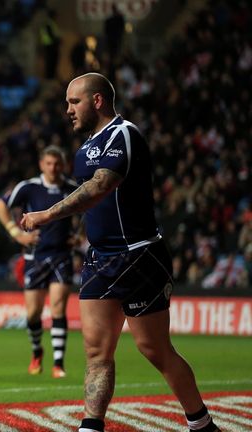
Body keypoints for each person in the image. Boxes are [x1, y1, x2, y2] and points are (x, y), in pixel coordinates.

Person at [21, 72, 220, 432]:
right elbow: (97, 206)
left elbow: (101, 186)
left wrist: (48, 214)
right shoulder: (83, 149)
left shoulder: (124, 133)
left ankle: (201, 424)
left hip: (139, 254)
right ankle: (91, 426)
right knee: (96, 353)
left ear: (97, 100)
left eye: (74, 101)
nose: (67, 110)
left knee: (154, 349)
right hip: (99, 259)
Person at [0, 145, 77, 379]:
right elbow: (0, 206)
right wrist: (15, 232)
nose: (53, 168)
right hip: (35, 257)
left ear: (64, 165)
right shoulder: (29, 187)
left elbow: (88, 213)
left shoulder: (71, 189)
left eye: (57, 163)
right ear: (42, 164)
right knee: (33, 313)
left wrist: (80, 236)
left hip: (62, 256)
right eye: (49, 163)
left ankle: (58, 363)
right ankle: (37, 351)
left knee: (59, 307)